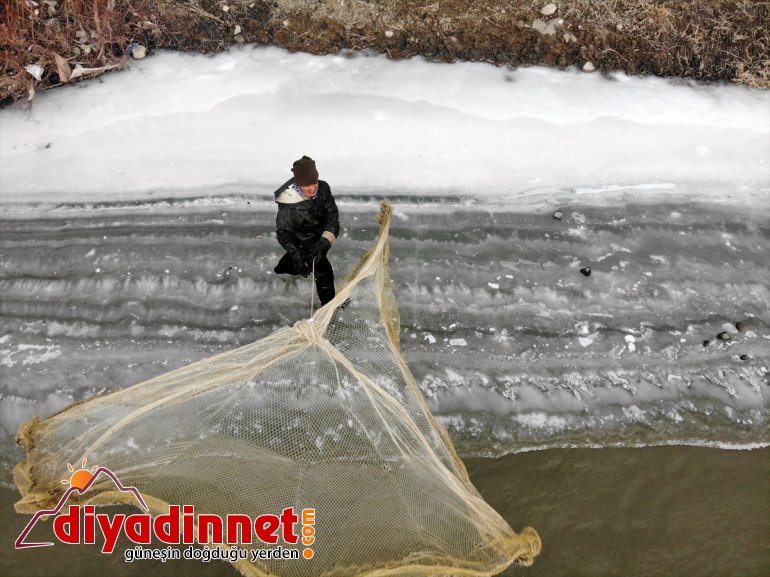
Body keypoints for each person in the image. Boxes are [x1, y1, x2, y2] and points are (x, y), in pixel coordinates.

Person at [273, 156, 340, 306]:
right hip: (303, 241)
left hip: (320, 236)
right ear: (298, 183)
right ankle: (329, 308)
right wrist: (296, 254)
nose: (312, 188)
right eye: (306, 184)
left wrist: (325, 240)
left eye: (314, 182)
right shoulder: (288, 207)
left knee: (316, 267)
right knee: (323, 272)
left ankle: (286, 266)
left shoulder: (323, 188)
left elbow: (332, 217)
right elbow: (283, 234)